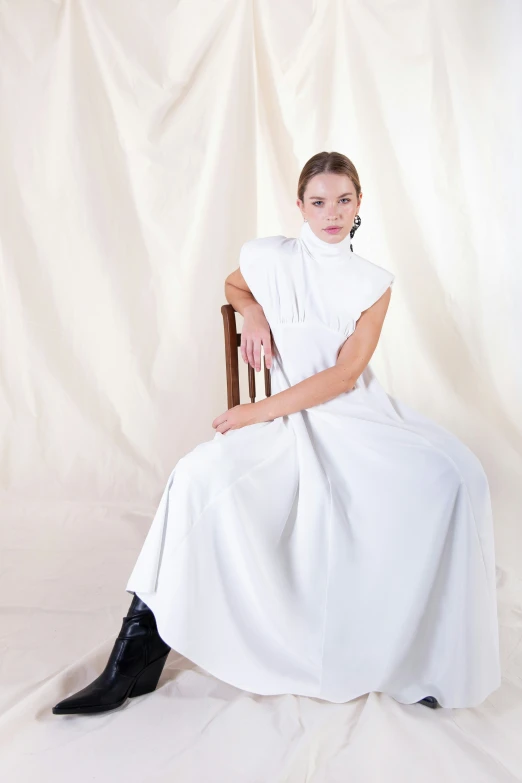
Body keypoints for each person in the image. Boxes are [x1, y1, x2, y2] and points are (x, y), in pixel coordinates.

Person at [52, 151, 501, 716]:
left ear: (360, 204)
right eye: (319, 202)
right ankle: (134, 658)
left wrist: (257, 410)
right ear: (301, 205)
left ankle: (426, 656)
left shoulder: (373, 284)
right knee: (194, 475)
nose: (331, 213)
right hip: (285, 423)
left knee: (455, 478)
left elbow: (342, 376)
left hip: (351, 416)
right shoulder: (268, 256)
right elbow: (235, 286)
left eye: (343, 200)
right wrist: (255, 314)